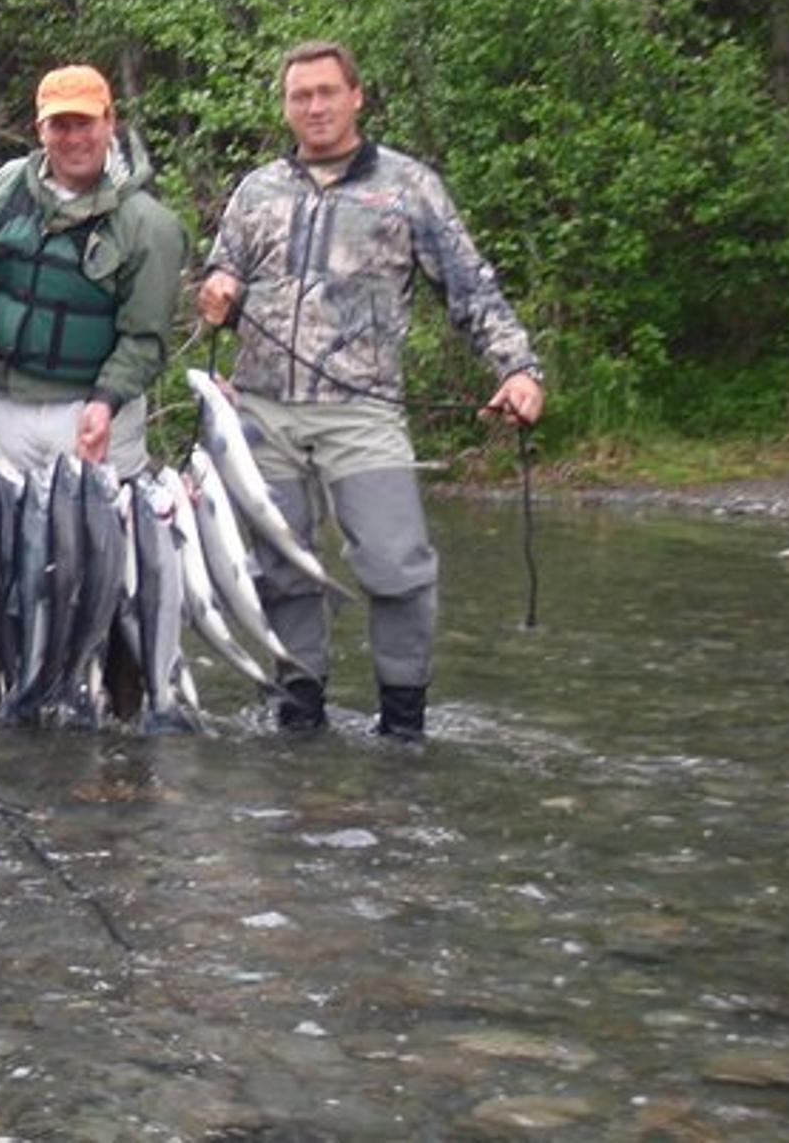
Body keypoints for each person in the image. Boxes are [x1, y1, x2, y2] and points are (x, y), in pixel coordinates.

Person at [197, 40, 545, 740]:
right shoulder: (256, 189)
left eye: (327, 92)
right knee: (281, 567)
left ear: (357, 96)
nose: (315, 106)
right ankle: (299, 710)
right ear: (286, 106)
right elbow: (220, 277)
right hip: (261, 411)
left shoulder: (408, 186)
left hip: (365, 409)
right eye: (301, 96)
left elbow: (470, 287)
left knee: (395, 563)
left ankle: (404, 720)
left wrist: (518, 369)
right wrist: (218, 290)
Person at [0, 64, 186, 478]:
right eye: (60, 125)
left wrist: (106, 401)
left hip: (96, 415)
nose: (73, 138)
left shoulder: (149, 224)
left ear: (109, 122)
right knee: (6, 541)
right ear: (40, 130)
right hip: (5, 407)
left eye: (85, 123)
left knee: (96, 542)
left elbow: (145, 337)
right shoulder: (6, 188)